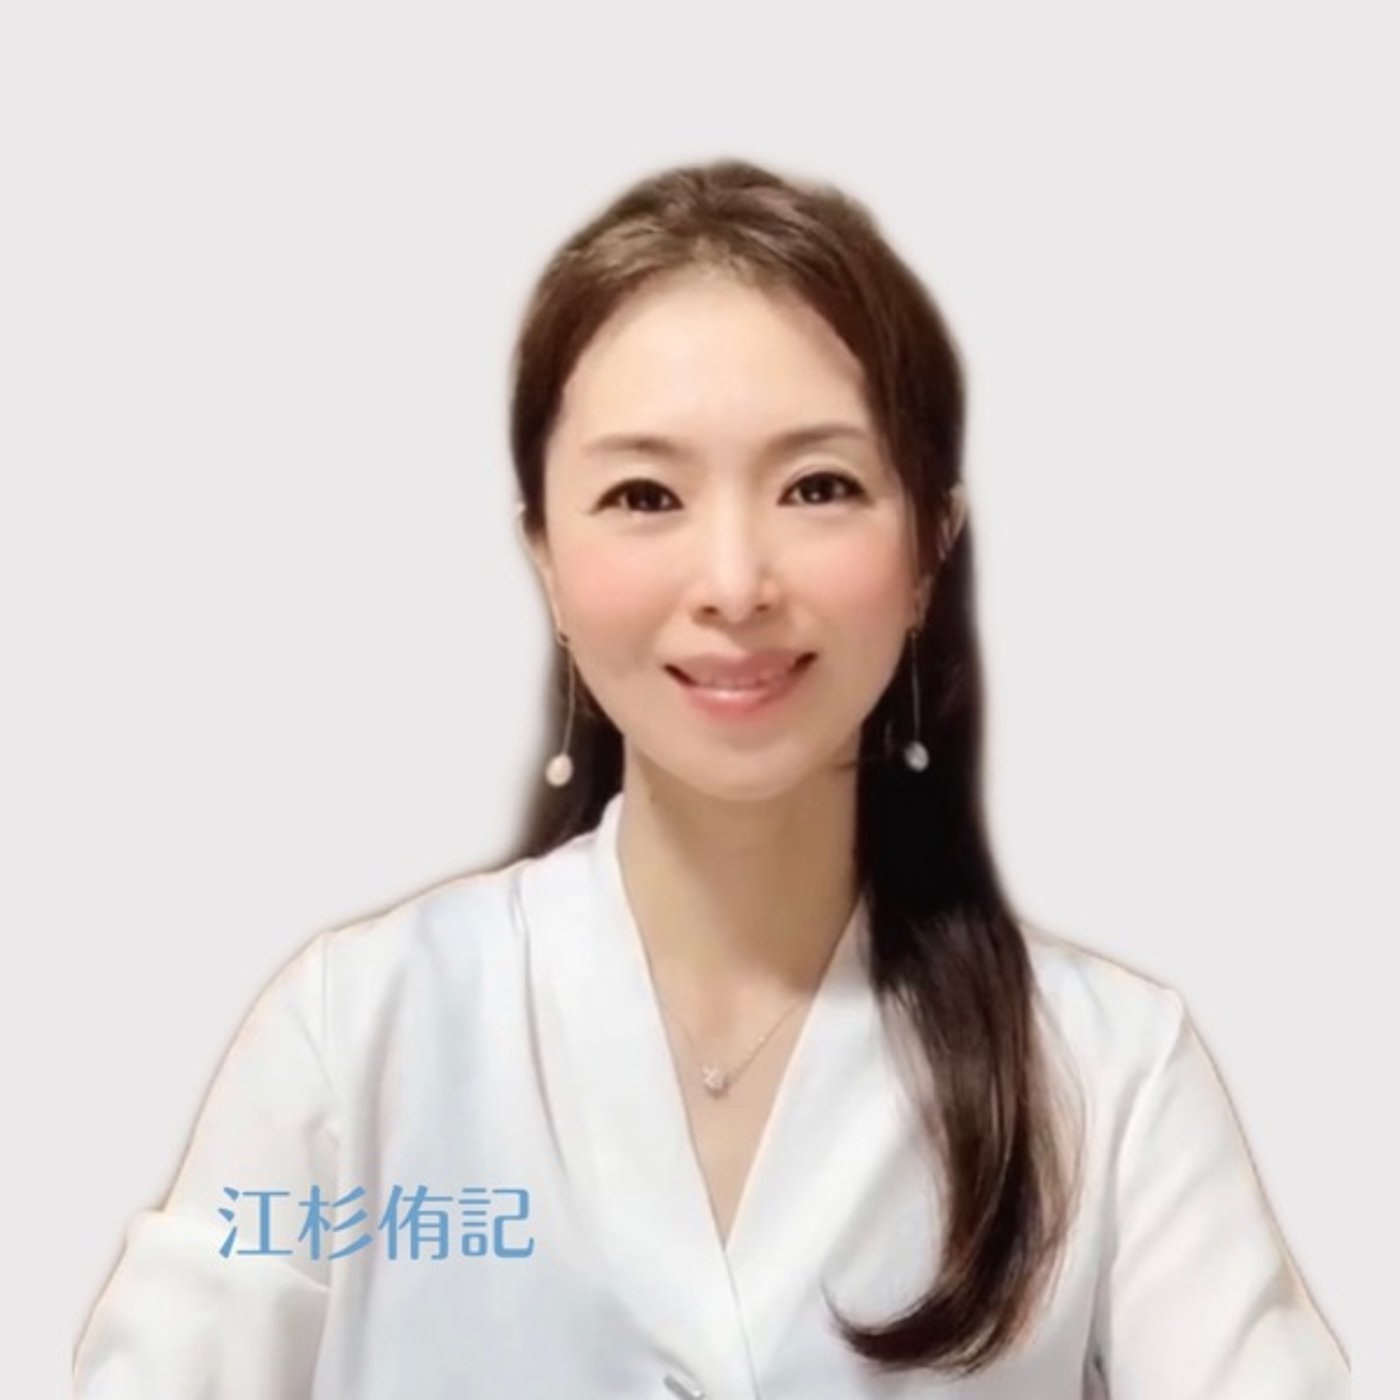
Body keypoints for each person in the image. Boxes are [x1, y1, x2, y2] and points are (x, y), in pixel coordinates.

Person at [73, 158, 1349, 1398]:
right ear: (543, 556)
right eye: (644, 493)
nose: (734, 582)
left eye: (817, 485)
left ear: (928, 548)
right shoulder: (357, 1033)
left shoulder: (1107, 1072)